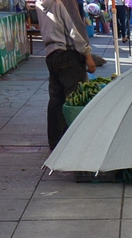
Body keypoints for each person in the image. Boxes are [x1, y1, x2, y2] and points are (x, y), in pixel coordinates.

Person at [36, 0, 97, 151]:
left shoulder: (39, 2)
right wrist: (87, 55)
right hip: (68, 54)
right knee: (74, 101)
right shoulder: (64, 1)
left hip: (52, 54)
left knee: (56, 99)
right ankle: (75, 144)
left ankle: (55, 142)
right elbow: (75, 29)